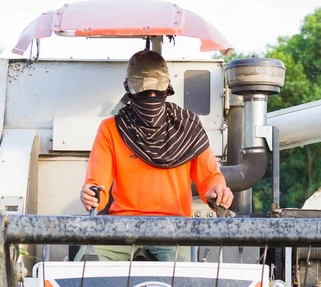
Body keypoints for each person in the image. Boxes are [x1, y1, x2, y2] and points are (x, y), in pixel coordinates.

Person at [76, 49, 233, 262]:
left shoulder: (188, 126)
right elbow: (98, 186)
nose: (151, 97)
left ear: (167, 90)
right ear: (130, 91)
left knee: (186, 286)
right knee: (83, 270)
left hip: (174, 228)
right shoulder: (111, 129)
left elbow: (210, 178)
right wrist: (91, 194)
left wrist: (217, 191)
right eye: (143, 92)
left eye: (156, 92)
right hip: (123, 226)